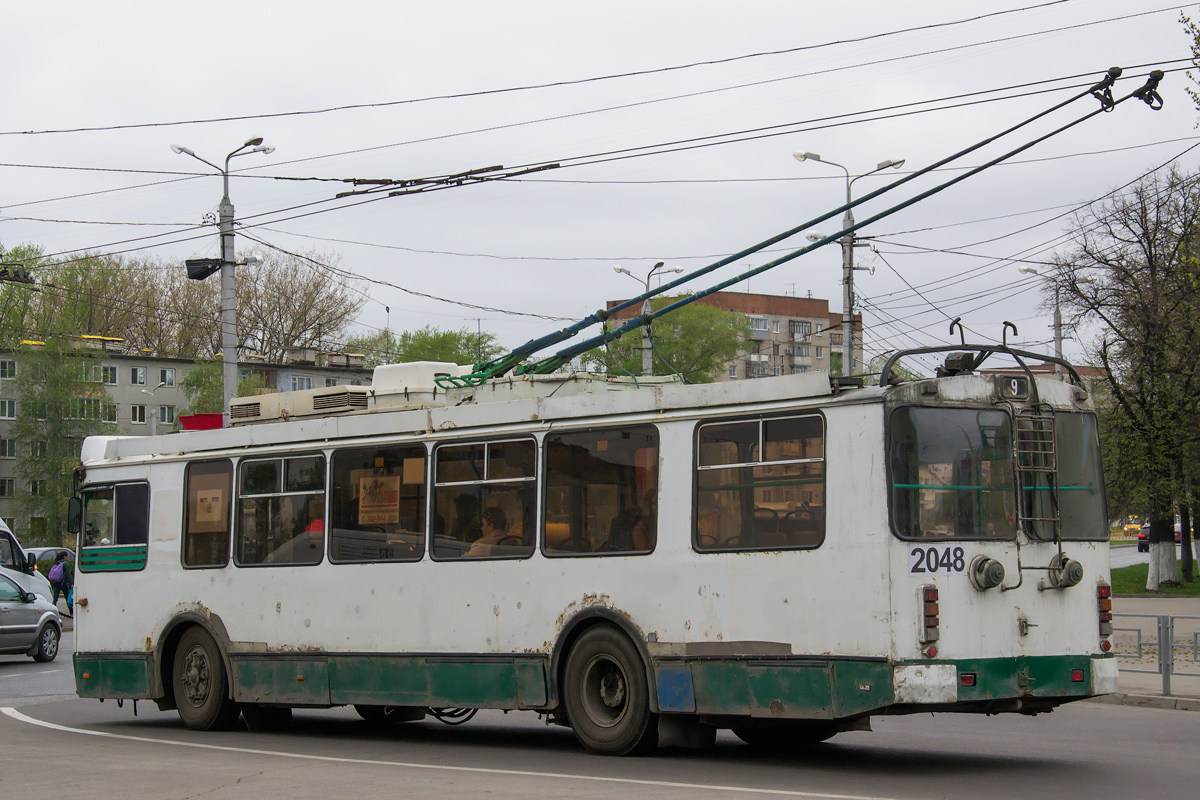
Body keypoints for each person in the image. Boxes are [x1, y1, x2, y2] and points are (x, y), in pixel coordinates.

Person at [48, 552, 73, 617]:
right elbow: (68, 575)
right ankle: (71, 612)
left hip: (55, 582)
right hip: (63, 583)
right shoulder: (65, 564)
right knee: (67, 598)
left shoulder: (56, 563)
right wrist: (71, 583)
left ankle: (52, 611)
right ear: (64, 557)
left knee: (55, 598)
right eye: (66, 557)